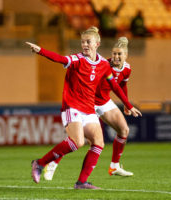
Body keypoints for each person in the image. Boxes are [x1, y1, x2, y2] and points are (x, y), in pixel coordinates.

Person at [26, 27, 142, 189]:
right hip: (72, 106)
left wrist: (128, 105)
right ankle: (39, 163)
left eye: (88, 42)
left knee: (98, 143)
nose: (85, 45)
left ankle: (81, 182)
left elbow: (115, 86)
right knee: (78, 142)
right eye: (83, 42)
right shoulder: (76, 60)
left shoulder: (103, 64)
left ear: (97, 44)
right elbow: (59, 58)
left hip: (88, 109)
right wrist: (41, 51)